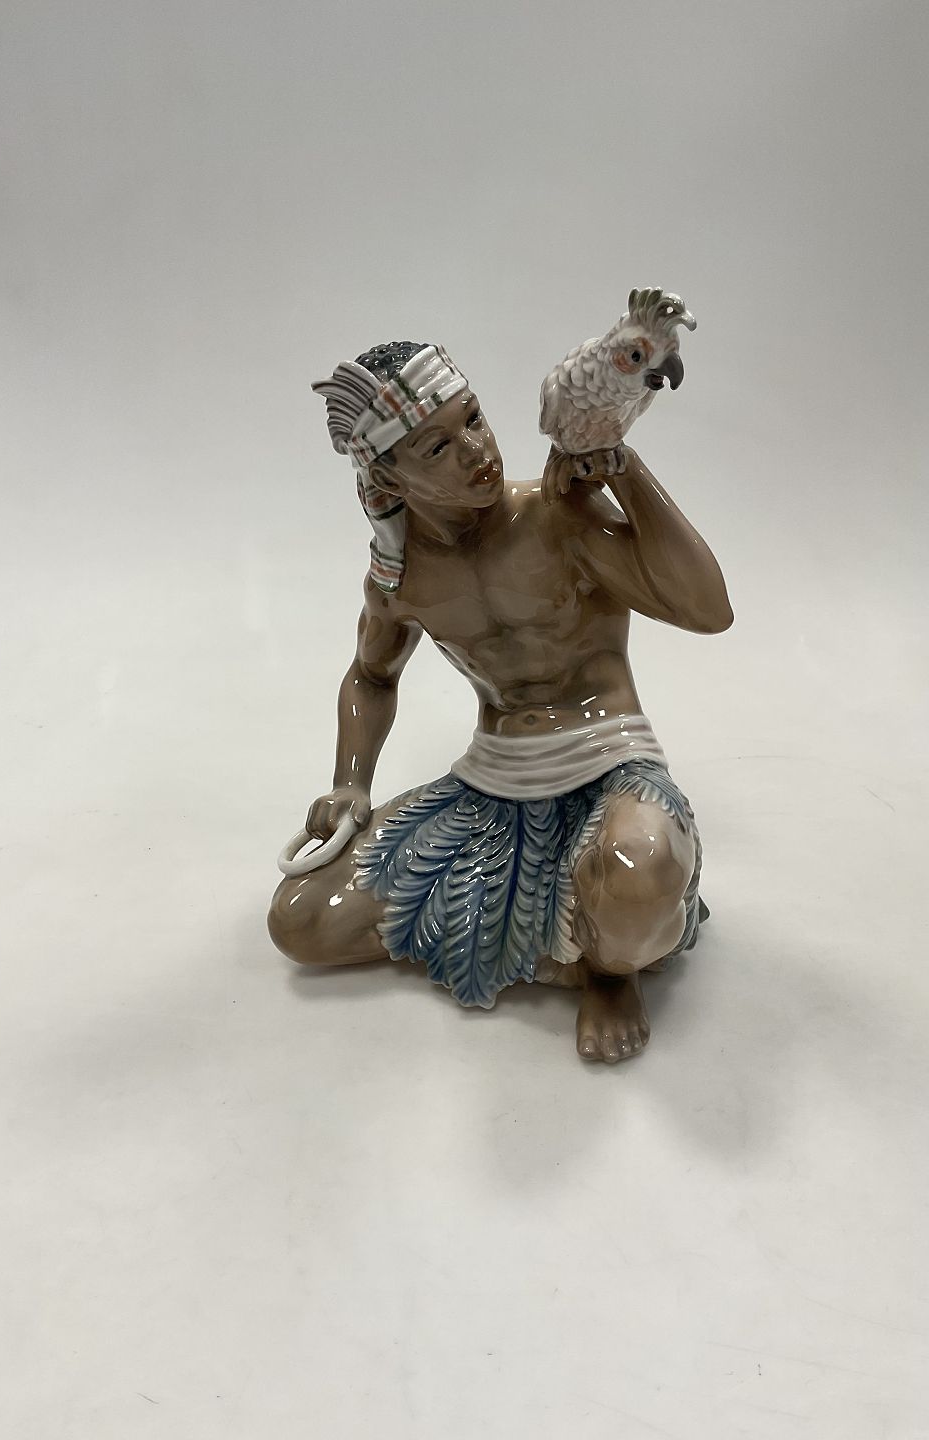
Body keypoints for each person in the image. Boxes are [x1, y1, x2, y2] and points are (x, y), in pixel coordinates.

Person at [268, 340, 733, 1062]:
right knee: (301, 921)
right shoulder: (400, 575)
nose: (475, 450)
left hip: (611, 766)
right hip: (493, 787)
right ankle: (566, 936)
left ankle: (609, 970)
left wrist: (624, 470)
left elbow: (708, 610)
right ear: (387, 475)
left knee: (638, 872)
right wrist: (349, 783)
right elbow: (371, 676)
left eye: (474, 419)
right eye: (436, 447)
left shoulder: (557, 518)